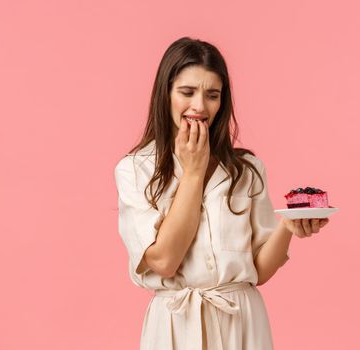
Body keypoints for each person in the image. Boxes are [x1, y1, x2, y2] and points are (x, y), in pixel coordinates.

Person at [114, 37, 330, 350]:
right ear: (165, 94)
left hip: (242, 322)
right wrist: (193, 172)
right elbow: (163, 261)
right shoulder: (135, 170)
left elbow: (258, 270)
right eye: (187, 92)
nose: (200, 106)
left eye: (212, 95)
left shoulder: (248, 169)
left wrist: (287, 227)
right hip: (176, 326)